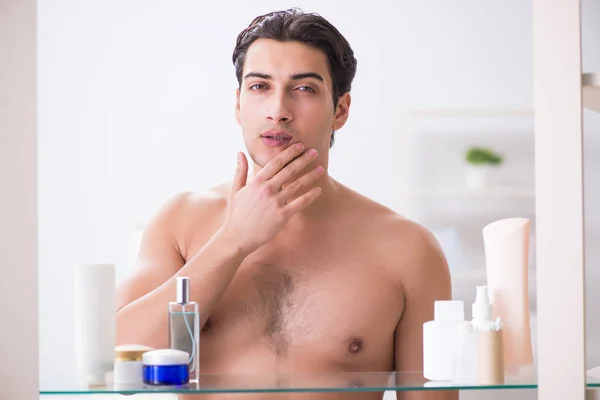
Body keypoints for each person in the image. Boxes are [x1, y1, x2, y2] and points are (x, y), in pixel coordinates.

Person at [116, 8, 455, 400]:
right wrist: (233, 241)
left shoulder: (408, 249)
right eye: (260, 86)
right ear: (239, 103)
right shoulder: (180, 222)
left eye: (305, 88)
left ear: (340, 110)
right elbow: (121, 359)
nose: (278, 110)